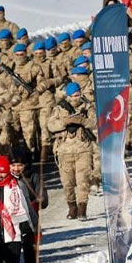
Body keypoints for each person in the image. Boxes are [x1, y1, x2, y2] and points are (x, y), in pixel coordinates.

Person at [48, 83, 96, 220]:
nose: (75, 98)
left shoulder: (88, 107)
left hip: (83, 149)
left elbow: (95, 123)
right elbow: (50, 125)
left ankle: (82, 209)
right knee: (67, 183)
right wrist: (64, 122)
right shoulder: (59, 108)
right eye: (72, 96)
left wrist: (82, 120)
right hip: (64, 151)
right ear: (67, 96)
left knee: (83, 181)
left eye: (77, 95)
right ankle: (72, 207)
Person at [9, 145, 44, 263]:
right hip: (12, 228)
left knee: (31, 262)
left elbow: (44, 200)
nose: (16, 169)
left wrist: (35, 199)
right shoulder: (5, 179)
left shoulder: (33, 177)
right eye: (13, 165)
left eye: (19, 165)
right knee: (12, 262)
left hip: (31, 225)